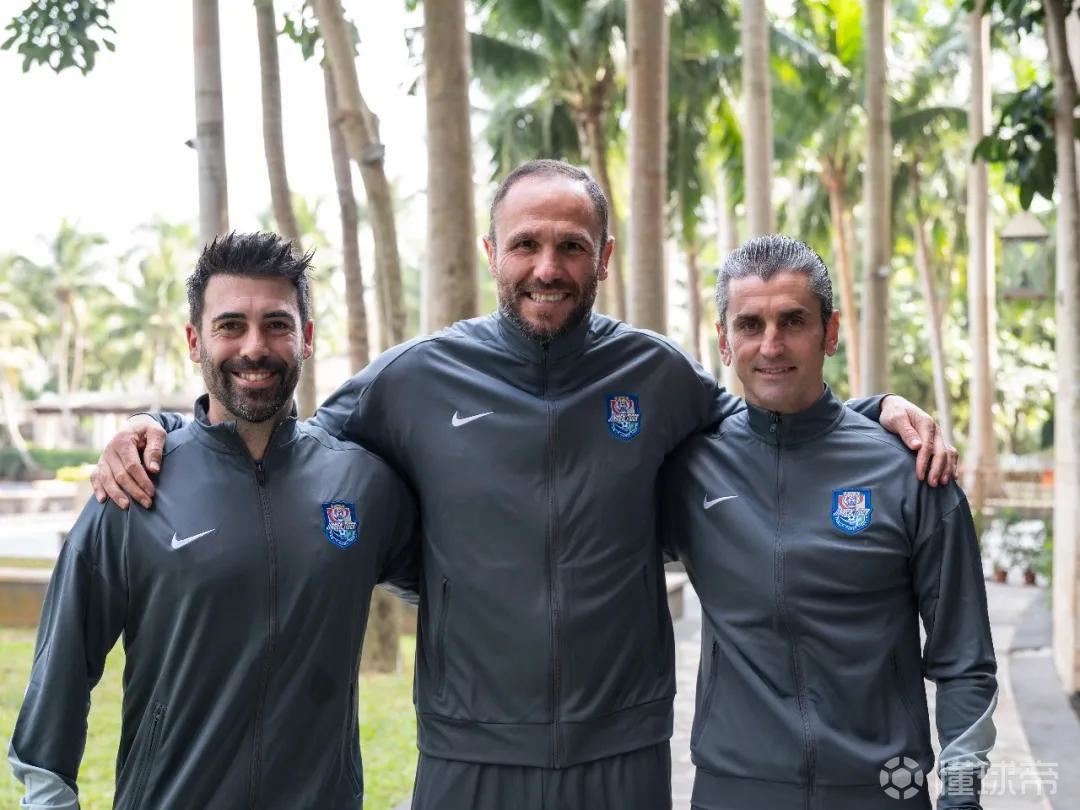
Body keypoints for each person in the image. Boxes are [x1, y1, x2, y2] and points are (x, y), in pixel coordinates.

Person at [89, 161, 957, 810]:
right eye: (527, 244)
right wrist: (166, 427)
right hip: (468, 751)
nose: (548, 265)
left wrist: (871, 412)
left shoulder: (656, 375)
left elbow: (770, 423)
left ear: (603, 256)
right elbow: (279, 440)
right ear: (491, 252)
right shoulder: (416, 377)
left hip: (622, 749)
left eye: (571, 246)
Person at [9, 232, 418, 809]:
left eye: (276, 324)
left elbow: (458, 597)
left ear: (306, 337)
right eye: (230, 326)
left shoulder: (362, 484)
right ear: (194, 341)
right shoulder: (134, 484)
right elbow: (63, 667)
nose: (255, 347)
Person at [660, 235, 996, 810]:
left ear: (830, 332)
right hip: (734, 790)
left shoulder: (912, 472)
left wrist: (961, 800)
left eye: (793, 321)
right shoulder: (689, 471)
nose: (771, 345)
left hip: (884, 789)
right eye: (749, 325)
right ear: (724, 341)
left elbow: (965, 663)